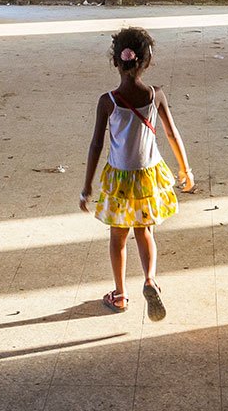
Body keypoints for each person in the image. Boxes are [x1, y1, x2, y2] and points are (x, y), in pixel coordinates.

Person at [79, 26, 195, 320]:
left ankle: (119, 295)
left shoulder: (108, 101)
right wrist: (185, 168)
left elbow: (96, 144)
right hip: (147, 176)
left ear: (116, 61)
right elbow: (172, 134)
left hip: (119, 177)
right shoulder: (156, 95)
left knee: (118, 238)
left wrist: (87, 187)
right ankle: (150, 280)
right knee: (145, 232)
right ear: (147, 61)